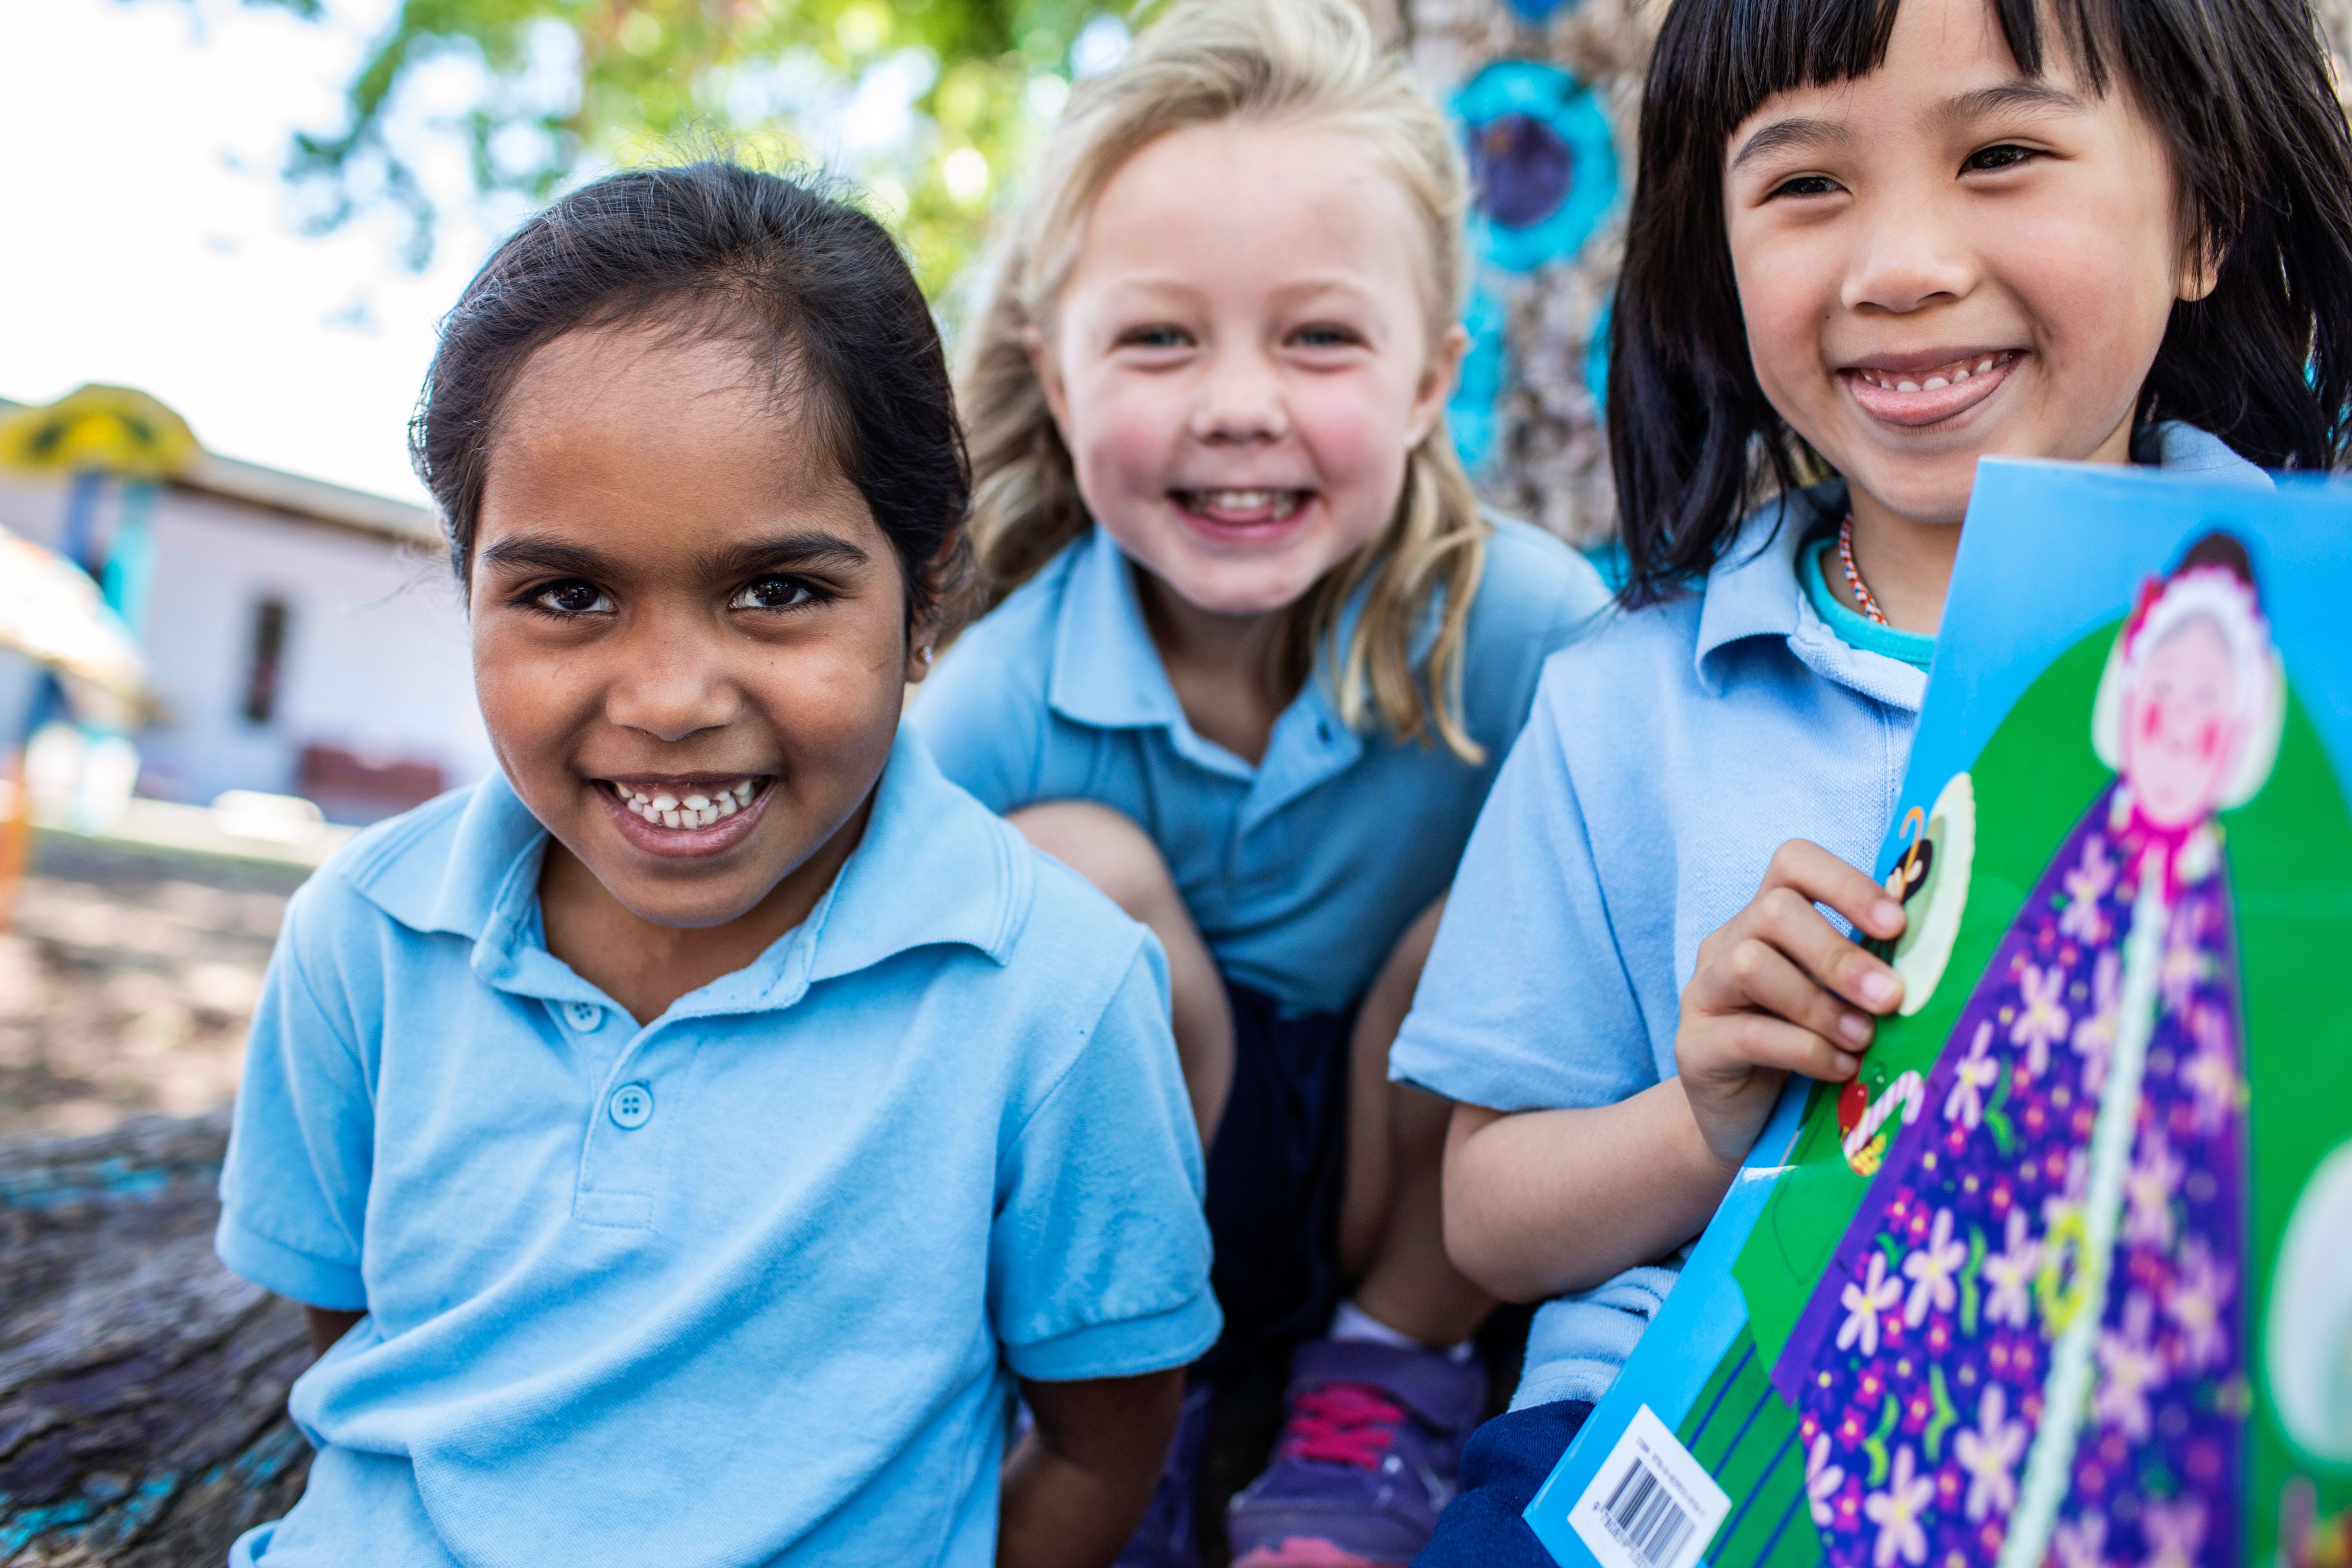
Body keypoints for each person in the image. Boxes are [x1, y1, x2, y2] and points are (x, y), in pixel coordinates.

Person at [1388, 0, 2352, 1559]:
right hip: (1667, 1443)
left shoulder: (2321, 636)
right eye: (1806, 184)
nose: (1901, 264)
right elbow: (1486, 1215)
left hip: (2181, 1444)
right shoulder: (1628, 703)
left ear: (2207, 217)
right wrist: (1702, 1119)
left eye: (2006, 152)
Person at [212, 162, 1218, 1568]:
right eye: (568, 595)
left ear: (924, 595)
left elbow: (1103, 1449)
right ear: (470, 588)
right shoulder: (365, 939)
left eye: (778, 592)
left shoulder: (1054, 994)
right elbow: (364, 1340)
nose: (672, 697)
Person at [909, 2, 1611, 1562]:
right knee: (1069, 874)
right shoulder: (992, 707)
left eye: (1318, 336)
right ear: (1062, 372)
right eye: (1160, 337)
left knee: (1518, 912)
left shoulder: (1536, 639)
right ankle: (1116, 1417)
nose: (1239, 402)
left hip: (1423, 1205)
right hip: (1126, 1226)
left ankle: (1382, 1390)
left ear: (1433, 381)